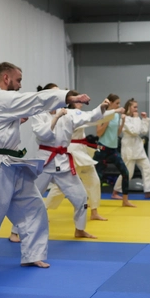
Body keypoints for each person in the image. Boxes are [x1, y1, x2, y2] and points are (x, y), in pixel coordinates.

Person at [0, 63, 90, 268]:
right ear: (6, 78)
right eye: (18, 80)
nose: (20, 85)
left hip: (12, 163)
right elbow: (34, 100)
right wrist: (68, 97)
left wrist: (13, 122)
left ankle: (32, 254)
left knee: (34, 207)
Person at [30, 88, 114, 239]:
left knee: (81, 197)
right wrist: (56, 117)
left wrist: (101, 107)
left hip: (63, 163)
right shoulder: (38, 114)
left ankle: (79, 229)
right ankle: (16, 231)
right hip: (45, 163)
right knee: (30, 197)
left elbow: (90, 116)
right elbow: (43, 134)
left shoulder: (69, 113)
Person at [44, 94, 116, 222]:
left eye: (80, 101)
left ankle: (94, 211)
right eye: (77, 100)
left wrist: (107, 109)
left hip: (81, 152)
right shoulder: (68, 114)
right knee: (61, 187)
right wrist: (110, 110)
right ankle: (43, 210)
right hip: (72, 152)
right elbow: (94, 119)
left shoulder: (78, 114)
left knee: (93, 181)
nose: (80, 103)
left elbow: (93, 117)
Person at [112, 98, 150, 200]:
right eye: (134, 107)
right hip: (129, 147)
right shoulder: (124, 119)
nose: (136, 109)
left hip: (138, 147)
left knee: (147, 169)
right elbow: (135, 132)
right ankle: (115, 192)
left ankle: (148, 192)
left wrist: (145, 120)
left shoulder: (136, 119)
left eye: (137, 107)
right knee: (128, 172)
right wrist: (137, 118)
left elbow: (144, 131)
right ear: (129, 107)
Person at [94, 94, 134, 208]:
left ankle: (125, 200)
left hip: (113, 149)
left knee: (125, 173)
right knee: (97, 177)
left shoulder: (116, 115)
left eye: (119, 103)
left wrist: (123, 122)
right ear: (110, 103)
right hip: (102, 148)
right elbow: (99, 133)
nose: (119, 105)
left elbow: (116, 133)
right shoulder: (102, 114)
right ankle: (92, 201)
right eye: (117, 103)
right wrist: (106, 122)